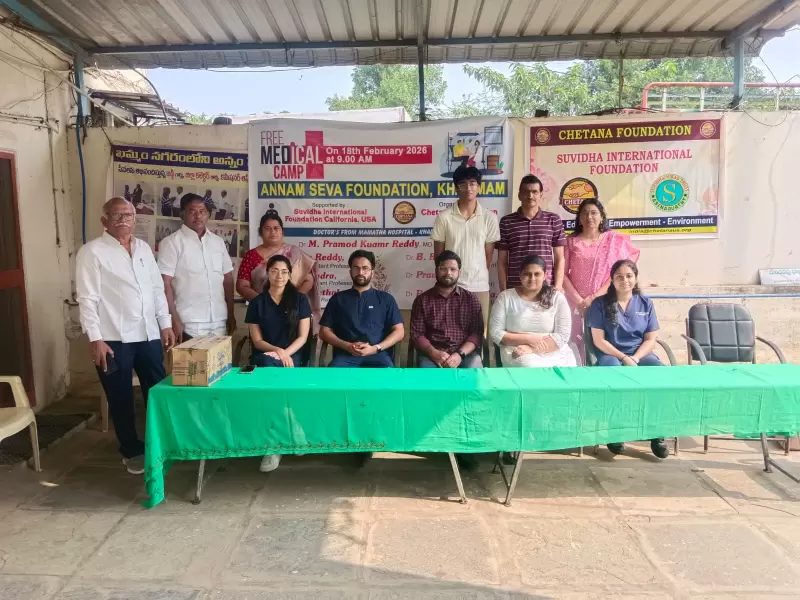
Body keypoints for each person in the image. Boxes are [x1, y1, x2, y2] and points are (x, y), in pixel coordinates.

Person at [75, 197, 175, 475]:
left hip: (147, 334)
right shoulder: (92, 252)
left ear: (135, 219)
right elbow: (87, 298)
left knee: (157, 389)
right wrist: (95, 339)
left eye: (128, 215)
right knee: (120, 396)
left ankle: (163, 442)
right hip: (112, 339)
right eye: (116, 215)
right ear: (104, 220)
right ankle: (130, 449)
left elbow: (156, 290)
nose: (123, 220)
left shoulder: (143, 248)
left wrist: (165, 324)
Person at [588, 259, 668, 459]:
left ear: (636, 278)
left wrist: (636, 358)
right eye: (619, 277)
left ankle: (656, 432)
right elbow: (598, 340)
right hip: (610, 353)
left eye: (629, 276)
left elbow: (650, 339)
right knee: (614, 378)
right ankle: (615, 431)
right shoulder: (599, 304)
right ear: (612, 280)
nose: (624, 280)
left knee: (660, 376)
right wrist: (624, 357)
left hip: (640, 354)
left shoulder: (646, 303)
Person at [245, 254, 312, 473]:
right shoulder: (257, 303)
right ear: (267, 273)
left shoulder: (300, 300)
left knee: (275, 383)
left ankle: (274, 443)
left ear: (290, 275)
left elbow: (303, 337)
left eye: (284, 272)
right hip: (265, 355)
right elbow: (257, 340)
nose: (279, 276)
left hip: (294, 355)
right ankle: (291, 431)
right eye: (274, 271)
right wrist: (277, 351)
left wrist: (285, 353)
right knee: (269, 371)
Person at [564, 198, 640, 363]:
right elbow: (562, 274)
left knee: (605, 343)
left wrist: (594, 297)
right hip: (575, 304)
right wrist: (578, 300)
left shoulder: (613, 240)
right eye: (584, 213)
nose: (589, 217)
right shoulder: (570, 242)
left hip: (606, 300)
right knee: (577, 343)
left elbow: (619, 273)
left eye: (594, 213)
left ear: (602, 217)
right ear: (579, 218)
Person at [157, 193, 235, 342]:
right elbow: (164, 283)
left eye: (202, 211)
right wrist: (173, 318)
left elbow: (228, 279)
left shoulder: (217, 242)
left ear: (208, 215)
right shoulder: (171, 243)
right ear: (182, 215)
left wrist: (230, 313)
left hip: (219, 320)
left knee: (220, 358)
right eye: (192, 211)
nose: (198, 216)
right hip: (188, 323)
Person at [432, 165, 500, 326]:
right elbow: (439, 257)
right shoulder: (444, 217)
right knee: (449, 331)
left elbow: (488, 257)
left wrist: (477, 274)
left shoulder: (489, 218)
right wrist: (448, 280)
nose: (468, 188)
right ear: (456, 188)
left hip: (479, 285)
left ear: (479, 187)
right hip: (450, 285)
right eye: (463, 184)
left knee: (479, 332)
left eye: (472, 183)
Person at [320, 250, 404, 368]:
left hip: (377, 354)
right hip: (346, 355)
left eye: (365, 268)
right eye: (356, 268)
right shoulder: (338, 299)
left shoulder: (386, 299)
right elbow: (324, 332)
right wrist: (346, 346)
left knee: (387, 376)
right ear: (350, 271)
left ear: (372, 273)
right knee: (334, 375)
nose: (360, 272)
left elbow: (399, 332)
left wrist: (376, 348)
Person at [489, 255, 576, 368]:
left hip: (555, 352)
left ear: (545, 275)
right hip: (517, 351)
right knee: (530, 366)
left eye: (537, 274)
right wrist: (531, 339)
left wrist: (531, 348)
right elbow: (496, 333)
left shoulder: (557, 298)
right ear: (520, 275)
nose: (532, 278)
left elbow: (562, 335)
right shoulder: (505, 297)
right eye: (527, 274)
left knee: (569, 369)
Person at [237, 209, 321, 326]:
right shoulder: (251, 255)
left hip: (291, 312)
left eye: (276, 228)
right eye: (267, 228)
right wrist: (265, 302)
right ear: (260, 233)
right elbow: (242, 286)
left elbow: (308, 280)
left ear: (282, 232)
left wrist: (293, 301)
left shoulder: (294, 253)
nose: (272, 232)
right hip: (263, 312)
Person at [410, 250, 484, 369]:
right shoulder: (422, 300)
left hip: (465, 355)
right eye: (443, 269)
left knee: (474, 375)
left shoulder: (471, 299)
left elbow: (477, 333)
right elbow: (417, 334)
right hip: (432, 355)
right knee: (426, 378)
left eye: (453, 269)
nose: (448, 273)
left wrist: (460, 354)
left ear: (459, 272)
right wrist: (433, 353)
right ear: (436, 271)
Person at [497, 175, 566, 294]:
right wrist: (503, 290)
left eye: (534, 192)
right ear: (519, 195)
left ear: (541, 195)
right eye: (526, 192)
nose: (530, 196)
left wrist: (558, 286)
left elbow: (559, 258)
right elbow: (501, 260)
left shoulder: (553, 220)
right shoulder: (506, 221)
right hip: (516, 288)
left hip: (546, 288)